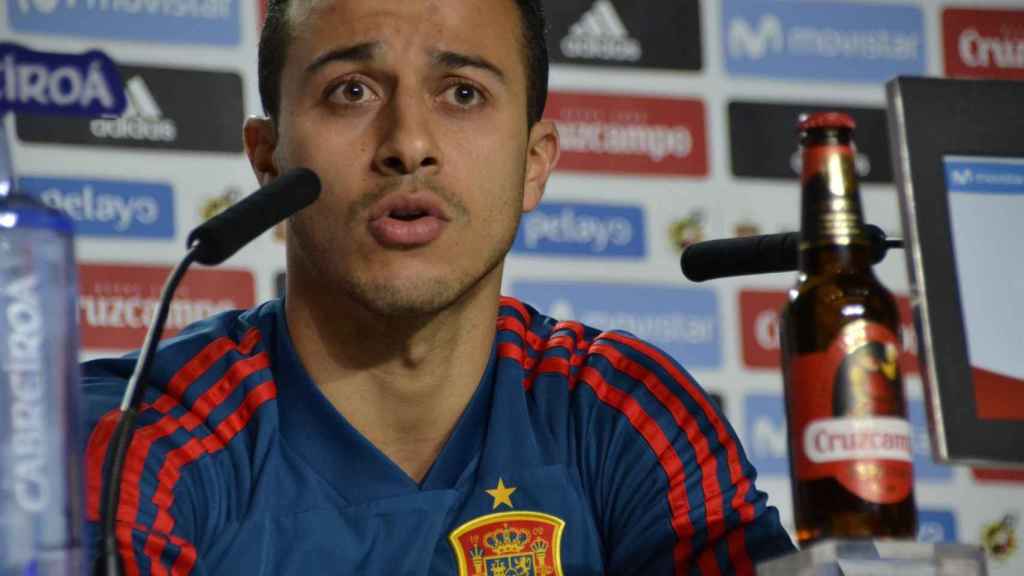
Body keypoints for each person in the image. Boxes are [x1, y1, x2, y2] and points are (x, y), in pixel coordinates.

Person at [81, 0, 796, 573]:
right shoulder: (138, 435)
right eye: (350, 91)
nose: (408, 143)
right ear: (268, 160)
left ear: (534, 163)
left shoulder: (620, 412)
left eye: (462, 92)